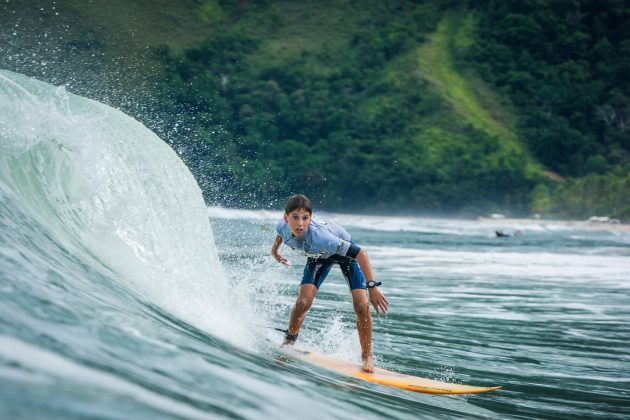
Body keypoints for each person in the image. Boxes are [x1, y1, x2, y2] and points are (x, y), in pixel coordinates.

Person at [271, 194, 389, 372]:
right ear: (286, 217)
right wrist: (275, 251)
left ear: (311, 218)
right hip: (318, 256)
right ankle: (289, 340)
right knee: (303, 302)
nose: (300, 224)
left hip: (344, 255)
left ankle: (366, 355)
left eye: (305, 218)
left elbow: (361, 254)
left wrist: (372, 287)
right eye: (295, 217)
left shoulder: (321, 237)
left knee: (361, 304)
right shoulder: (281, 225)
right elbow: (281, 234)